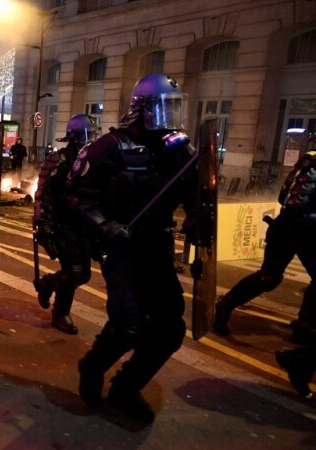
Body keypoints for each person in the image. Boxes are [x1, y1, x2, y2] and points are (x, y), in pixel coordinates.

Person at [67, 73, 197, 423]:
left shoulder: (178, 151)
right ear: (142, 109)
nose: (168, 116)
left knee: (170, 329)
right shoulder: (110, 146)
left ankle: (126, 387)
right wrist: (105, 226)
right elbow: (78, 196)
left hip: (157, 246)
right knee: (129, 325)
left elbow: (196, 198)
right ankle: (93, 365)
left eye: (173, 107)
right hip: (121, 247)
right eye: (161, 107)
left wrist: (201, 219)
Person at [214, 150, 316, 344]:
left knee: (271, 276)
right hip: (295, 229)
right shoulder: (312, 167)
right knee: (269, 277)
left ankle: (306, 324)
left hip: (299, 229)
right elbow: (293, 203)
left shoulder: (309, 163)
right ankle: (225, 305)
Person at [33, 114, 98, 335]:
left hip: (84, 224)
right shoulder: (59, 159)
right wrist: (43, 223)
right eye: (85, 135)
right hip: (62, 223)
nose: (90, 140)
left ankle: (48, 284)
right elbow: (43, 192)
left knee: (84, 275)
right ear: (73, 136)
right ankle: (60, 313)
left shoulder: (95, 160)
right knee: (73, 270)